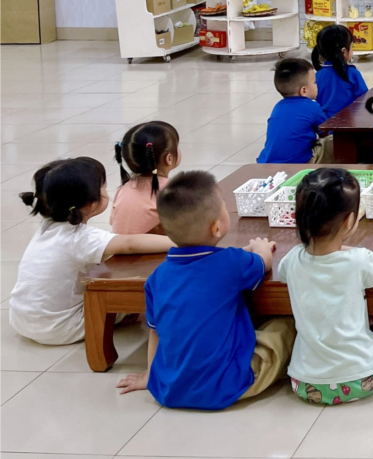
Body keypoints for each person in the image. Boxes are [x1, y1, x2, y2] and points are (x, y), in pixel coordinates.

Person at [116, 171, 297, 409]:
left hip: (169, 390)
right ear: (216, 227)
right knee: (286, 324)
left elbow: (155, 332)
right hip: (226, 387)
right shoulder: (231, 263)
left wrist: (150, 376)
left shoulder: (157, 278)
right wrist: (260, 246)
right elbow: (264, 262)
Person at [279, 169, 373, 404]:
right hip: (362, 379)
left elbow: (284, 274)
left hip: (304, 383)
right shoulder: (358, 260)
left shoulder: (292, 259)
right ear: (349, 221)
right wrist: (352, 251)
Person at [9, 158, 172, 345]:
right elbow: (129, 244)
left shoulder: (47, 227)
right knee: (132, 292)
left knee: (100, 271)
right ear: (90, 203)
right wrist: (177, 241)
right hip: (59, 327)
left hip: (21, 319)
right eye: (103, 186)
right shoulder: (80, 237)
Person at [112, 120, 180, 235]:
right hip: (153, 246)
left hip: (120, 245)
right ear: (169, 158)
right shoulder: (174, 191)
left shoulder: (123, 189)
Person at [258, 58, 328, 165]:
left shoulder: (278, 107)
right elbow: (325, 132)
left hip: (267, 163)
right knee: (331, 143)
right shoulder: (312, 107)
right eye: (314, 82)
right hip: (299, 164)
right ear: (304, 90)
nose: (317, 85)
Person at [312, 24, 369, 119]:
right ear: (344, 51)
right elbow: (364, 99)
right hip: (350, 124)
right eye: (351, 46)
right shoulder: (352, 73)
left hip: (324, 123)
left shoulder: (317, 75)